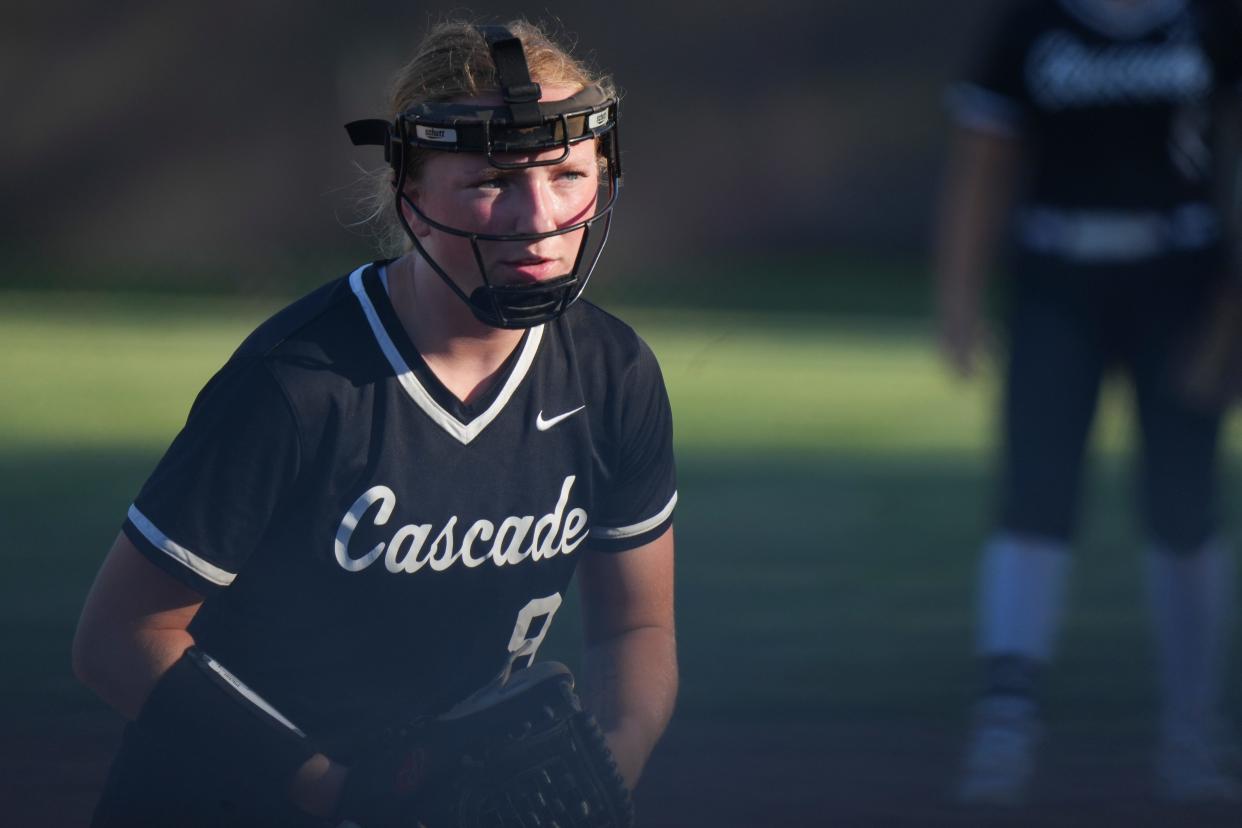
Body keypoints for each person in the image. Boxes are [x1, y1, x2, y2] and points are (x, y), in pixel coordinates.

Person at [71, 19, 678, 827]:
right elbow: (118, 638)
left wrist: (603, 780)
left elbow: (635, 627)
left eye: (567, 173)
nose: (540, 215)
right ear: (411, 193)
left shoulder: (613, 374)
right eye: (493, 180)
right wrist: (342, 793)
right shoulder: (300, 384)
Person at [935, 0, 1242, 806]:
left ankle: (1191, 736)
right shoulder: (1034, 25)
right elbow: (985, 153)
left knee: (1184, 509)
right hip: (1057, 282)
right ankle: (1006, 728)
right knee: (1034, 498)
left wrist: (1231, 314)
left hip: (1181, 281)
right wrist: (960, 295)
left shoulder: (1211, 22)